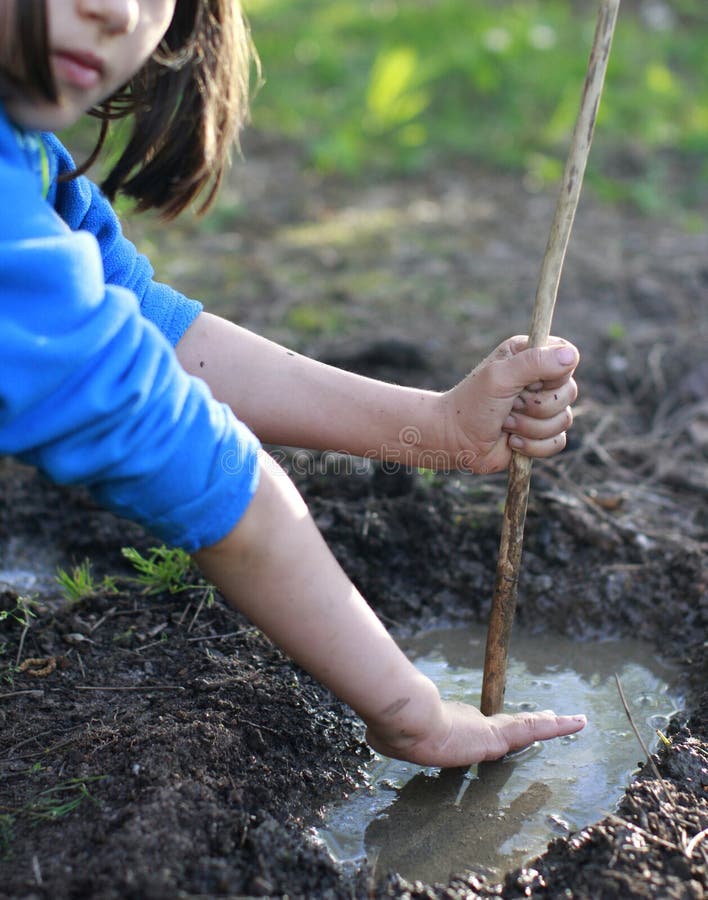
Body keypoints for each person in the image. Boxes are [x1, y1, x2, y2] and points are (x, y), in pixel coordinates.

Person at [0, 0, 586, 768]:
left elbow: (142, 328)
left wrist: (440, 429)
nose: (113, 9)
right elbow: (180, 451)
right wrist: (412, 713)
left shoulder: (28, 161)